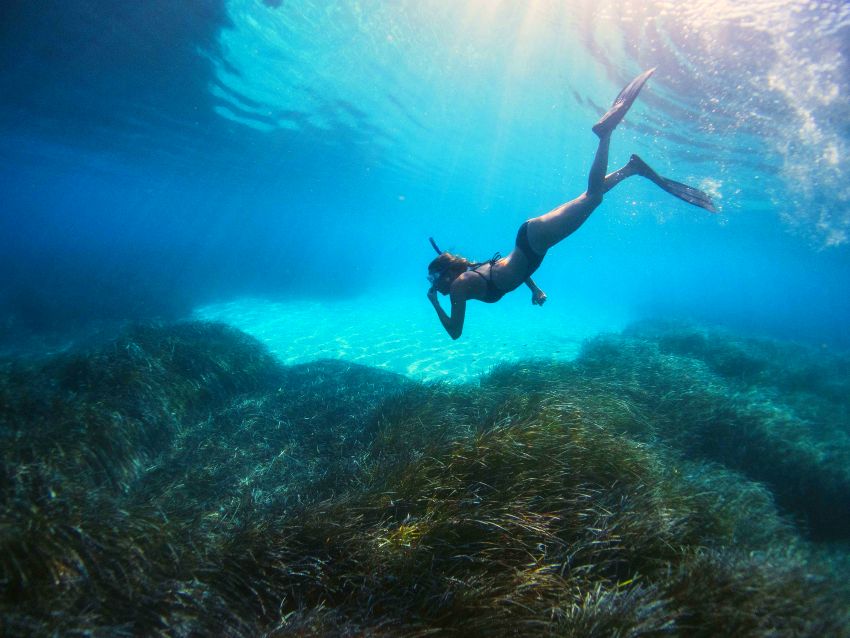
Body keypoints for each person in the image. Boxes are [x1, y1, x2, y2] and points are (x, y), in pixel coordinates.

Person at [427, 68, 716, 340]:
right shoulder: (469, 273)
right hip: (531, 239)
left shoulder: (460, 286)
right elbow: (508, 271)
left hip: (533, 243)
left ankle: (605, 135)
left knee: (593, 198)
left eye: (434, 280)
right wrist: (536, 289)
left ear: (446, 274)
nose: (435, 286)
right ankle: (631, 168)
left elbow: (455, 332)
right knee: (589, 198)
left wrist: (434, 304)